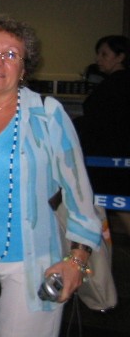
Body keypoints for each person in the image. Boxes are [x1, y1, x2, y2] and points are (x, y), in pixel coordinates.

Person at [0, 17, 102, 337]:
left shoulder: (47, 114)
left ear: (24, 67)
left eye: (10, 55)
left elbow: (80, 194)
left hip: (31, 264)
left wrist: (77, 261)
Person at [75, 35, 130, 235]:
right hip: (113, 155)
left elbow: (98, 120)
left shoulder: (114, 85)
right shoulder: (115, 83)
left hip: (109, 158)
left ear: (120, 57)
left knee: (114, 206)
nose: (99, 58)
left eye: (104, 54)